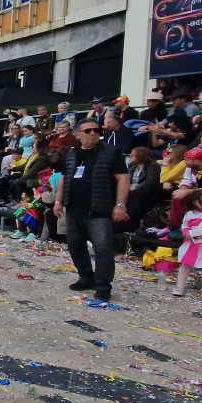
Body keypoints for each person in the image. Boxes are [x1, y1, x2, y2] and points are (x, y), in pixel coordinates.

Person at [53, 117, 130, 302]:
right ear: (78, 134)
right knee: (75, 245)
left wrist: (120, 205)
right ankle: (86, 277)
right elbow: (64, 179)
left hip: (99, 208)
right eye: (88, 131)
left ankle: (103, 285)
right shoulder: (71, 154)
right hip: (73, 208)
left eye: (97, 130)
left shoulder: (111, 152)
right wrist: (58, 201)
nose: (94, 133)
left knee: (102, 248)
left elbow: (123, 179)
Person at [126, 146, 161, 223]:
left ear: (140, 156)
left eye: (133, 155)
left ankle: (132, 222)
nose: (130, 156)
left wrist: (135, 188)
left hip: (147, 192)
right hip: (133, 190)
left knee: (132, 198)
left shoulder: (153, 166)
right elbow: (127, 179)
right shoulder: (132, 166)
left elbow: (150, 183)